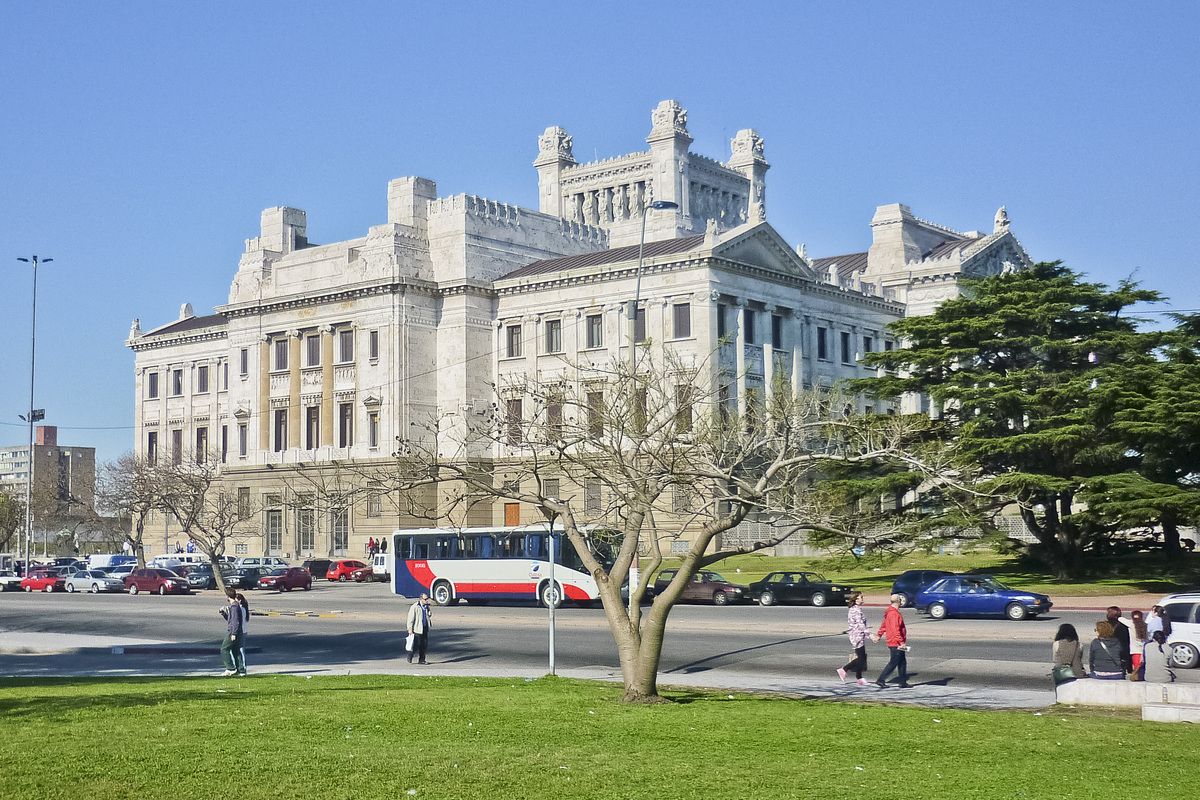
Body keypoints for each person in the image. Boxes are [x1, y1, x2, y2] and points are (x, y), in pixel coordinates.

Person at [871, 593, 909, 689]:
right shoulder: (894, 614)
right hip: (895, 642)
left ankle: (903, 682)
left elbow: (884, 625)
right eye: (900, 600)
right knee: (894, 662)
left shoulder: (890, 612)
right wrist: (901, 642)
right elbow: (896, 630)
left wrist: (879, 635)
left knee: (902, 662)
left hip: (895, 641)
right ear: (898, 601)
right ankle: (881, 679)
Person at [837, 592, 871, 686]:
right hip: (857, 636)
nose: (862, 599)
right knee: (861, 658)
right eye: (861, 597)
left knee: (862, 657)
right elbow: (860, 625)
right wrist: (870, 634)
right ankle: (844, 669)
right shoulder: (855, 611)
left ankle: (859, 677)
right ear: (856, 600)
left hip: (859, 635)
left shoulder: (856, 609)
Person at [219, 587, 245, 677]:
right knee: (235, 650)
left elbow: (235, 622)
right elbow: (231, 620)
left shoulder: (234, 606)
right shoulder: (235, 605)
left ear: (228, 596)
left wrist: (233, 633)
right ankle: (241, 670)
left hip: (233, 631)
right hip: (238, 630)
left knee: (224, 649)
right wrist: (224, 614)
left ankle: (230, 668)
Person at [406, 592, 433, 665]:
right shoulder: (415, 607)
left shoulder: (426, 606)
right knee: (416, 645)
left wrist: (429, 614)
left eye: (427, 598)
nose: (427, 600)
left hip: (424, 628)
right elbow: (410, 619)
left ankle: (422, 660)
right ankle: (410, 655)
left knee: (424, 645)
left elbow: (428, 614)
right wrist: (410, 629)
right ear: (421, 599)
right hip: (417, 629)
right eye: (425, 599)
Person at [1106, 606, 1132, 674]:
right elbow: (1126, 642)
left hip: (1109, 650)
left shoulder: (1105, 625)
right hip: (1122, 651)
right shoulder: (1124, 625)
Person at [1129, 610, 1148, 680]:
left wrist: (1132, 620)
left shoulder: (1131, 624)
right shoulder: (1145, 625)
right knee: (1143, 668)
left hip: (1135, 651)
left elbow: (1120, 619)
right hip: (1143, 650)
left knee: (1136, 669)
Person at [235, 592, 250, 676]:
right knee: (240, 649)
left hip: (241, 631)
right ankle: (240, 667)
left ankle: (243, 668)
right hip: (244, 631)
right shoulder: (244, 608)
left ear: (239, 600)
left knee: (241, 650)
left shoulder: (241, 609)